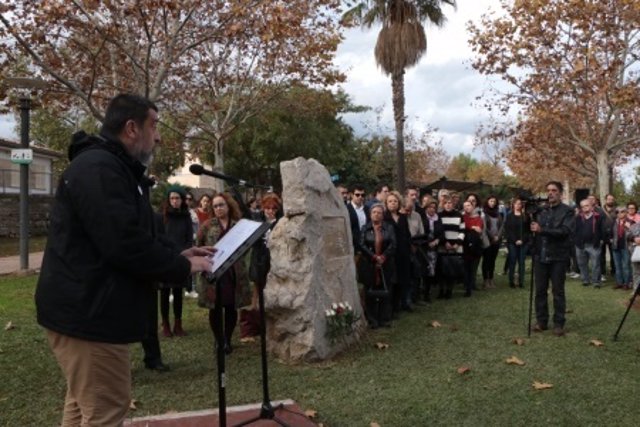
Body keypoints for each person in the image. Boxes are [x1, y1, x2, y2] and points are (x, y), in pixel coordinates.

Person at [35, 94, 213, 426]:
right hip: (88, 316)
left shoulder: (111, 168)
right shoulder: (99, 169)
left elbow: (134, 232)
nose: (158, 136)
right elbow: (123, 243)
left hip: (85, 312)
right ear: (132, 128)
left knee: (81, 408)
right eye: (154, 125)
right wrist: (182, 267)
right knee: (106, 412)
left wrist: (176, 254)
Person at [197, 192, 250, 355]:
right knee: (216, 307)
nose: (218, 208)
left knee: (231, 306)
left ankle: (227, 339)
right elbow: (199, 246)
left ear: (228, 206)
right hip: (214, 272)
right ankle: (218, 340)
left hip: (233, 273)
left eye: (221, 205)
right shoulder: (207, 226)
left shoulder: (237, 226)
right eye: (215, 206)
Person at [530, 181, 575, 336]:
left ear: (560, 193)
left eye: (554, 190)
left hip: (558, 256)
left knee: (558, 291)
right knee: (540, 291)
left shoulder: (568, 211)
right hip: (540, 255)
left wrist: (542, 230)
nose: (550, 193)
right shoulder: (542, 211)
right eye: (548, 190)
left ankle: (558, 323)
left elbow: (564, 231)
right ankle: (541, 322)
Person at [158, 186, 194, 337]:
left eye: (177, 198)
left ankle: (178, 324)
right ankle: (165, 324)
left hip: (181, 257)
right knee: (165, 292)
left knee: (178, 292)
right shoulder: (162, 216)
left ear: (182, 200)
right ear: (168, 200)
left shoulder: (186, 216)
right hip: (165, 258)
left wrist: (184, 253)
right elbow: (158, 237)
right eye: (172, 198)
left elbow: (188, 237)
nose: (174, 201)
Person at [359, 203, 396, 328]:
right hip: (370, 265)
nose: (376, 214)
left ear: (383, 215)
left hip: (386, 264)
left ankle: (384, 319)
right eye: (374, 212)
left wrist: (383, 257)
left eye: (379, 212)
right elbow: (361, 245)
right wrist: (374, 257)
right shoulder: (365, 228)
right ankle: (372, 320)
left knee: (386, 291)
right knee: (370, 293)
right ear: (370, 214)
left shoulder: (389, 228)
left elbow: (393, 244)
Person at [384, 191, 412, 312]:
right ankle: (391, 307)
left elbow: (407, 234)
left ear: (399, 203)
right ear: (386, 203)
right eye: (390, 201)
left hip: (403, 252)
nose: (393, 204)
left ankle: (401, 303)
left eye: (395, 201)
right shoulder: (384, 218)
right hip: (390, 253)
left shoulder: (403, 217)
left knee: (403, 279)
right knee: (392, 280)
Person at [574, 198, 605, 288]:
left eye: (587, 205)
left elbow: (602, 230)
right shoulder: (578, 217)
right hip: (580, 245)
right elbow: (574, 230)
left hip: (594, 245)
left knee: (596, 264)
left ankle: (596, 282)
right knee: (582, 264)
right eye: (582, 206)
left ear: (592, 206)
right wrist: (576, 241)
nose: (585, 208)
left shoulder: (598, 217)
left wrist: (601, 240)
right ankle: (585, 280)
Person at [504, 198, 530, 288]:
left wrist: (522, 240)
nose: (518, 205)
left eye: (520, 204)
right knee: (512, 261)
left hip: (524, 242)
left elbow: (528, 230)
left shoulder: (526, 216)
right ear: (513, 205)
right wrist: (515, 240)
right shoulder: (509, 216)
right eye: (517, 204)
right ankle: (511, 281)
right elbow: (508, 230)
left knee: (521, 262)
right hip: (512, 242)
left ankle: (521, 281)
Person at [462, 200, 484, 297]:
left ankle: (470, 286)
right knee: (465, 267)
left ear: (472, 206)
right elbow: (462, 227)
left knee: (472, 267)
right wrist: (473, 227)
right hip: (464, 244)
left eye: (468, 205)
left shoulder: (478, 218)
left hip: (475, 245)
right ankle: (466, 286)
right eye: (465, 206)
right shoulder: (462, 217)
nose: (467, 207)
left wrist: (470, 227)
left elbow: (479, 230)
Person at [481, 195, 503, 289]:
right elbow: (484, 228)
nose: (492, 203)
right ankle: (485, 280)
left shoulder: (498, 214)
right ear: (487, 202)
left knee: (493, 261)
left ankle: (491, 279)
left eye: (494, 201)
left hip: (496, 240)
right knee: (486, 260)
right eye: (491, 201)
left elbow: (502, 226)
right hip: (487, 240)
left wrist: (498, 236)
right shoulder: (484, 213)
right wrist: (492, 236)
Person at [611, 206, 633, 290]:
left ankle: (627, 283)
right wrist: (611, 239)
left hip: (626, 247)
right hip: (616, 247)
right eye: (617, 212)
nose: (619, 214)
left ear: (626, 212)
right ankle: (619, 282)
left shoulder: (631, 222)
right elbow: (611, 232)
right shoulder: (614, 222)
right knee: (617, 266)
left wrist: (628, 228)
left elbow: (633, 235)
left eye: (622, 211)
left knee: (626, 266)